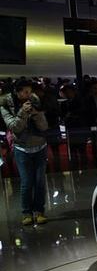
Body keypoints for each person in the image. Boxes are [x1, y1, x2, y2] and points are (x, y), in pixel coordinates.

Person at [0, 79, 49, 225]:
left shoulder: (34, 100)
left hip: (40, 146)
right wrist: (22, 112)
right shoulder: (5, 105)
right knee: (27, 182)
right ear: (17, 92)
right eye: (25, 92)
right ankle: (26, 212)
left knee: (40, 181)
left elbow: (44, 126)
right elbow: (14, 127)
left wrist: (36, 113)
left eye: (30, 91)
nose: (29, 94)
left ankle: (39, 211)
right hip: (22, 148)